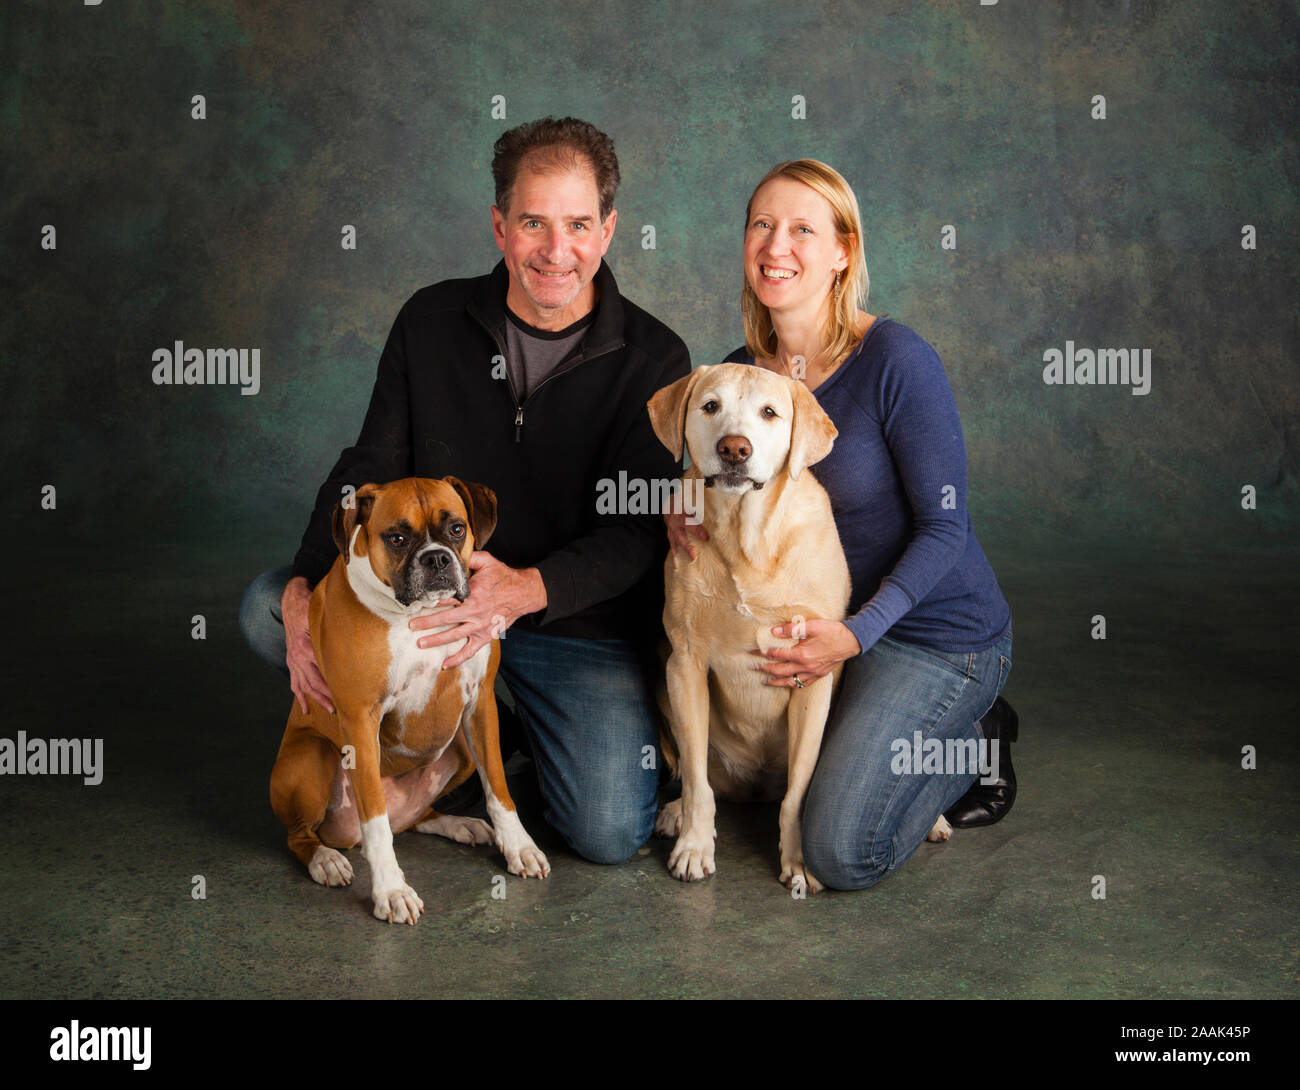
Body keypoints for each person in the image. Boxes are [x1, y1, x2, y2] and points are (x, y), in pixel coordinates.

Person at [240, 117, 691, 865]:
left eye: (579, 224)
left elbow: (638, 531)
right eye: (533, 223)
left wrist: (523, 590)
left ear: (608, 230)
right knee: (264, 607)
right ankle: (447, 725)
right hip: (425, 610)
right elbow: (368, 464)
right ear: (498, 226)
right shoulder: (431, 321)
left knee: (608, 831)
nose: (556, 250)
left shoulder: (655, 357)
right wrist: (300, 585)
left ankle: (498, 736)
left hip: (564, 623)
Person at [667, 159, 1016, 891]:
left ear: (842, 251)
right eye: (761, 225)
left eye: (802, 228)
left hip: (930, 635)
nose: (776, 245)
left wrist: (857, 634)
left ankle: (970, 744)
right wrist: (681, 493)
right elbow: (714, 455)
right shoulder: (741, 381)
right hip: (828, 636)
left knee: (837, 851)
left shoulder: (896, 360)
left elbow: (948, 531)